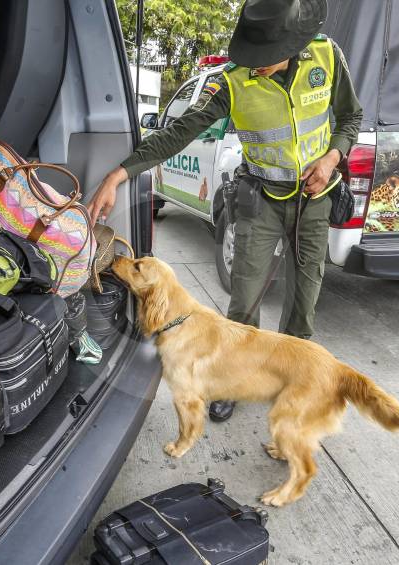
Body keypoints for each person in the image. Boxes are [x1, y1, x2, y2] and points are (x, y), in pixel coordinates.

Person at [87, 0, 363, 422]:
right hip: (261, 202)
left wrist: (332, 158)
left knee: (303, 306)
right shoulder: (233, 82)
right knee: (244, 301)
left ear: (293, 44)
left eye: (265, 56)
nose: (256, 64)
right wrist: (118, 174)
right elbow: (179, 132)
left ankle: (292, 382)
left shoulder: (326, 56)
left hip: (314, 201)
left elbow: (350, 117)